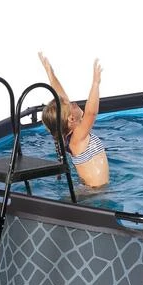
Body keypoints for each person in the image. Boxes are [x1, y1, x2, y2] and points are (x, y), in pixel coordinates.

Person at [38, 53, 110, 187]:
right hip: (93, 192)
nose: (73, 102)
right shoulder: (77, 138)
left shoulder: (69, 135)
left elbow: (61, 97)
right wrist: (95, 83)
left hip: (91, 190)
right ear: (71, 118)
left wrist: (50, 73)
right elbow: (91, 113)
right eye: (71, 104)